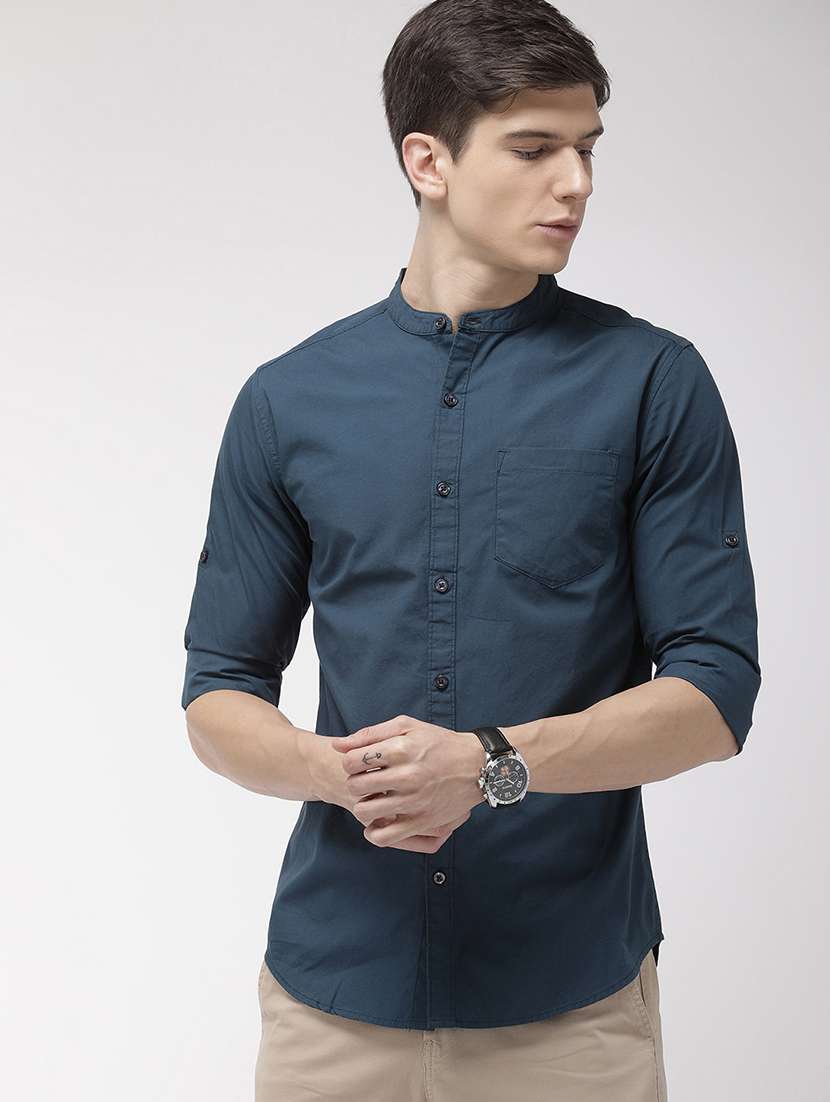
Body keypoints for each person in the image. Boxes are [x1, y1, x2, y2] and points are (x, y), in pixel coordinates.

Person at [180, 2, 761, 1099]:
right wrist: (344, 776)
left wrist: (491, 763)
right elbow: (217, 692)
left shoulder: (653, 382)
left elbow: (715, 691)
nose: (575, 184)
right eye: (534, 149)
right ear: (428, 161)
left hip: (569, 1007)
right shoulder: (288, 399)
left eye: (586, 150)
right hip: (331, 998)